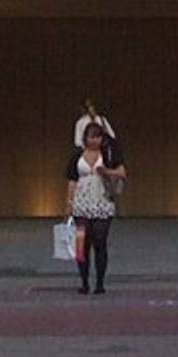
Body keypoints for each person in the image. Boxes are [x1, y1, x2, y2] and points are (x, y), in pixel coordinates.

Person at [64, 120, 127, 295]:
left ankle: (100, 282)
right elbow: (71, 180)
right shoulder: (76, 156)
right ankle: (84, 281)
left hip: (102, 201)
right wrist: (68, 205)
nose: (94, 141)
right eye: (91, 137)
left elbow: (122, 172)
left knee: (100, 242)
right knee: (81, 245)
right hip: (81, 203)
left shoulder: (108, 154)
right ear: (85, 138)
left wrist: (107, 172)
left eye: (98, 137)